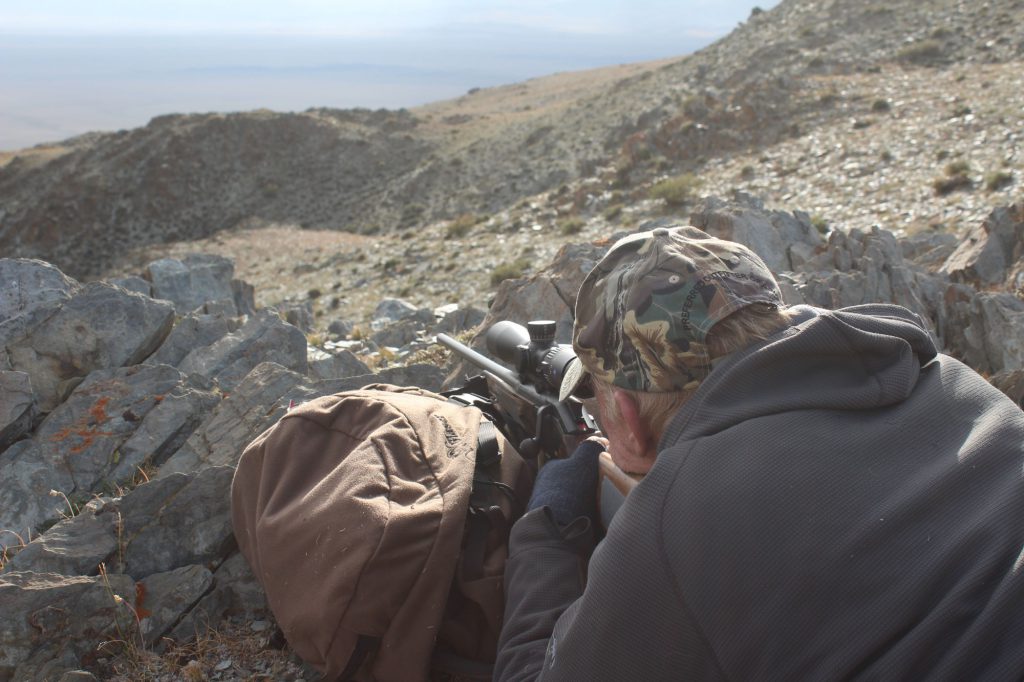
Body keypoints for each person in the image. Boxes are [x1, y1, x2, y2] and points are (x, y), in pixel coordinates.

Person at [494, 225, 1024, 681]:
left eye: (597, 398)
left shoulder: (678, 524)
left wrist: (548, 525)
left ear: (627, 420)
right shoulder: (954, 386)